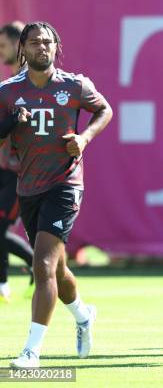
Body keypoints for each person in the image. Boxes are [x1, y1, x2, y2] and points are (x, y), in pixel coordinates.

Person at [0, 22, 113, 368]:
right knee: (58, 269)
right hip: (29, 185)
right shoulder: (7, 92)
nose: (41, 48)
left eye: (47, 42)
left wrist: (84, 139)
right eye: (34, 43)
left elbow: (104, 110)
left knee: (44, 264)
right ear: (22, 48)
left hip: (65, 184)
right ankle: (83, 315)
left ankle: (31, 352)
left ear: (56, 47)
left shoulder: (74, 85)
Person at [0, 21, 34, 302]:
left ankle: (3, 285)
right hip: (3, 167)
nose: (1, 52)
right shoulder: (8, 85)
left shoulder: (32, 82)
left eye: (3, 45)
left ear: (18, 45)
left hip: (21, 170)